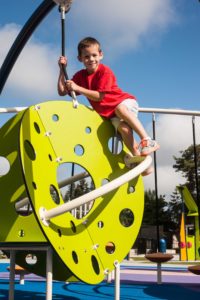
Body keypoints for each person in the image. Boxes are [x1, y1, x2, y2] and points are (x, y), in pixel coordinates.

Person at [58, 37, 159, 174]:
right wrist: (61, 69)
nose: (91, 59)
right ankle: (138, 159)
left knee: (120, 109)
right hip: (111, 114)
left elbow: (100, 96)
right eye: (86, 56)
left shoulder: (104, 71)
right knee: (123, 129)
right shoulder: (80, 76)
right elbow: (62, 92)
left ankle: (146, 140)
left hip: (124, 103)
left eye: (94, 55)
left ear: (101, 55)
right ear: (80, 58)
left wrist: (78, 88)